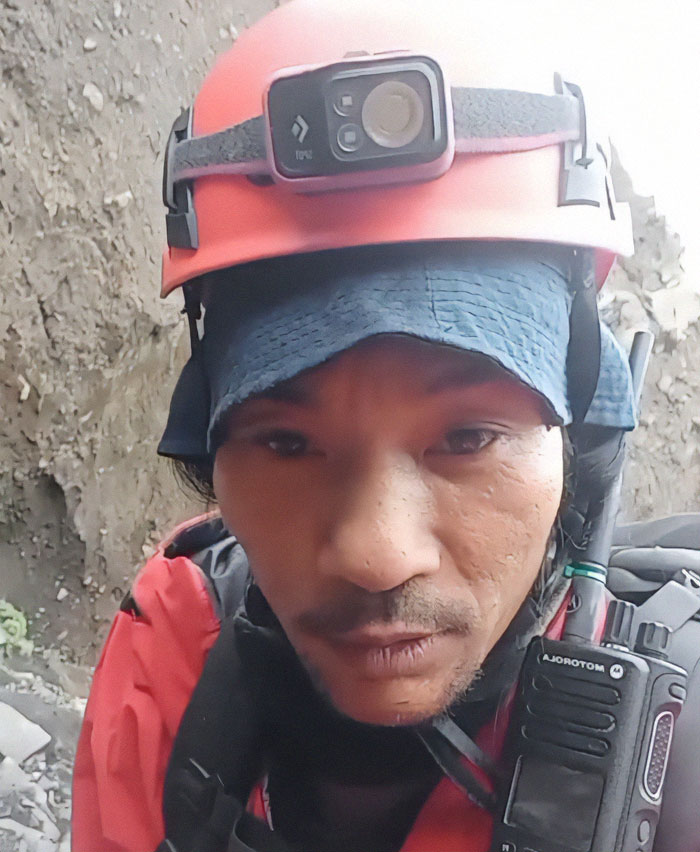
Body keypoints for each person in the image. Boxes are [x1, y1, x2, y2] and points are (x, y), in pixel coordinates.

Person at [71, 2, 700, 851]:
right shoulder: (176, 640)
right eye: (287, 443)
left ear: (578, 431)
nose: (377, 554)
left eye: (468, 438)